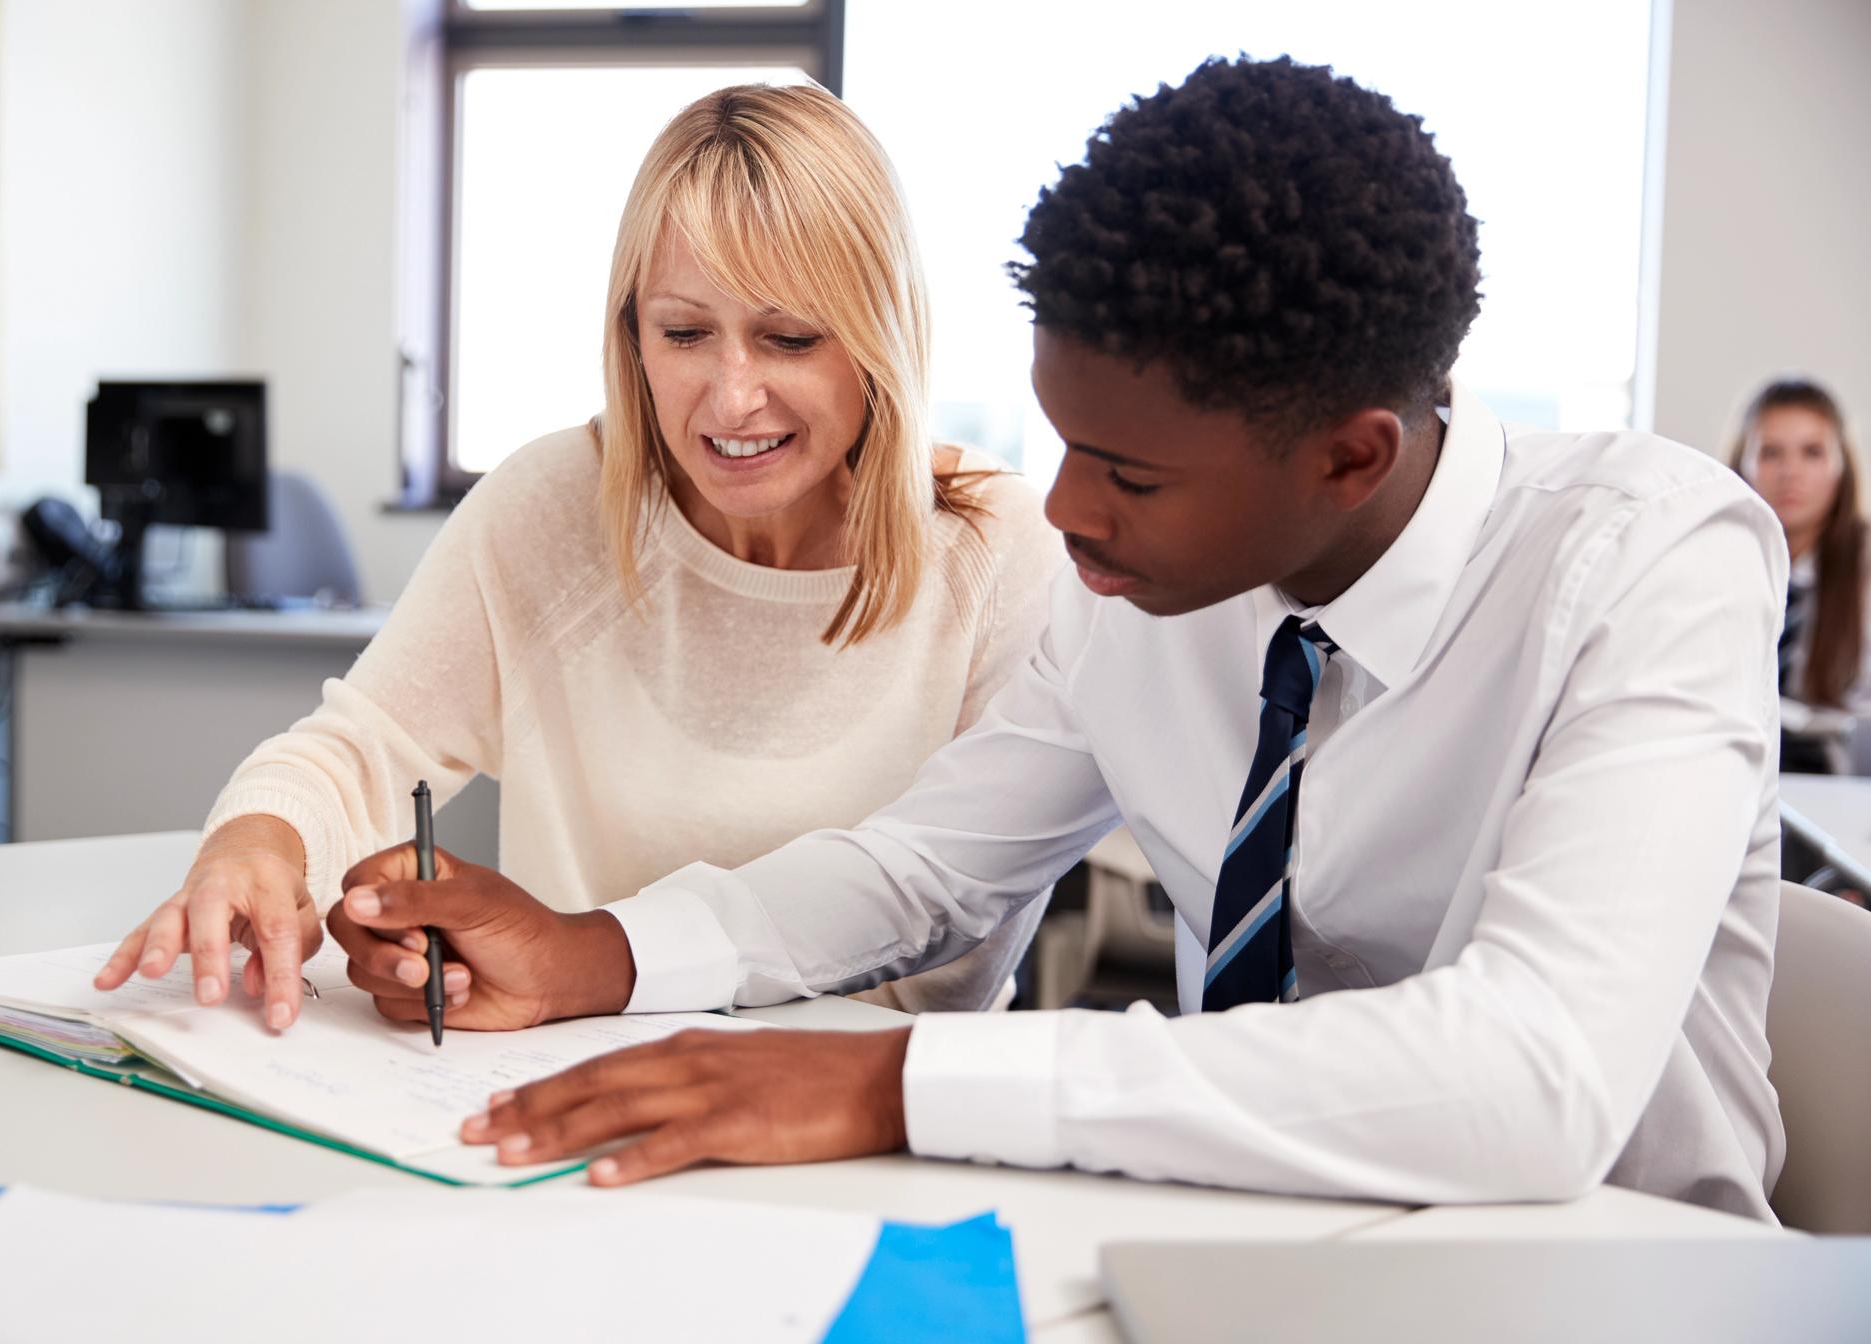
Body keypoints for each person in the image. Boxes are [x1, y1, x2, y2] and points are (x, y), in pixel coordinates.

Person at [327, 57, 1786, 1221]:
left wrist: (903, 1083)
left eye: (1131, 476)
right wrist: (597, 952)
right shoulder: (1133, 587)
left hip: (1611, 1269)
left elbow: (1532, 1078)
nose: (1068, 510)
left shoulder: (1654, 559)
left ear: (1350, 458)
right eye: (1065, 442)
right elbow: (919, 872)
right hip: (1248, 1242)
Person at [92, 84, 1063, 1026]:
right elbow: (363, 749)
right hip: (564, 1093)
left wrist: (578, 966)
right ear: (632, 334)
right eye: (684, 332)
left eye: (788, 338)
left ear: (880, 337)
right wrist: (259, 840)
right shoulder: (556, 504)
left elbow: (952, 965)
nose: (731, 399)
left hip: (861, 1114)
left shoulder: (995, 549)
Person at [1729, 378, 1868, 773]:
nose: (1790, 472)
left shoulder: (1864, 572)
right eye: (1771, 452)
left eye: (1812, 452)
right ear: (1743, 463)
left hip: (1834, 789)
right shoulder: (1711, 564)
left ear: (1841, 467)